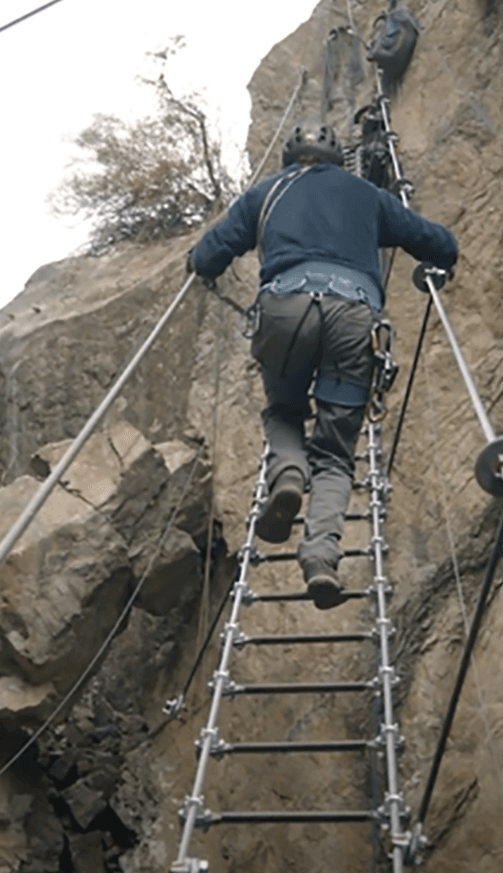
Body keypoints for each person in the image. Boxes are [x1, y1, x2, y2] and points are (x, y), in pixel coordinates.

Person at [189, 122, 458, 609]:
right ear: (337, 159)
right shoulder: (367, 194)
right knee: (335, 454)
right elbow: (436, 242)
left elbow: (207, 255)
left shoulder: (265, 194)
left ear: (292, 158)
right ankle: (320, 555)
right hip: (354, 317)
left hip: (284, 308)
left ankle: (288, 472)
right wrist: (440, 254)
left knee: (285, 412)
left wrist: (203, 267)